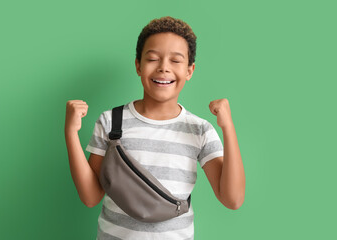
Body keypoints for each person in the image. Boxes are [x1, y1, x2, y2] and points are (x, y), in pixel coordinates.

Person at [65, 16, 245, 240]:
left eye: (175, 61)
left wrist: (228, 127)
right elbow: (91, 197)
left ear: (190, 71)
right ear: (138, 65)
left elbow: (232, 199)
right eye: (153, 59)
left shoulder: (199, 129)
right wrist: (71, 133)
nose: (163, 68)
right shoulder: (111, 122)